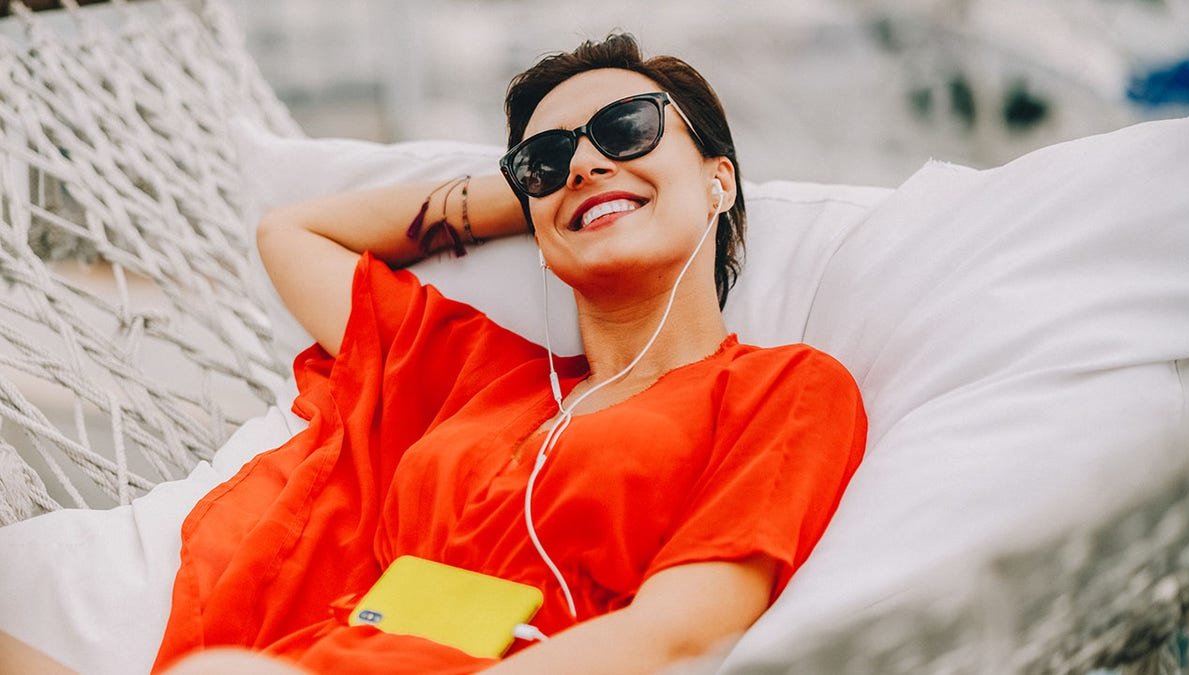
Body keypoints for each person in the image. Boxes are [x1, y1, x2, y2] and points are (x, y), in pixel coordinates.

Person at [0, 33, 866, 675]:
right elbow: (293, 234)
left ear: (721, 178)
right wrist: (525, 195)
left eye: (627, 128)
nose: (588, 163)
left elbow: (679, 633)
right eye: (549, 155)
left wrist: (581, 178)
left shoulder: (780, 389)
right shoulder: (478, 374)